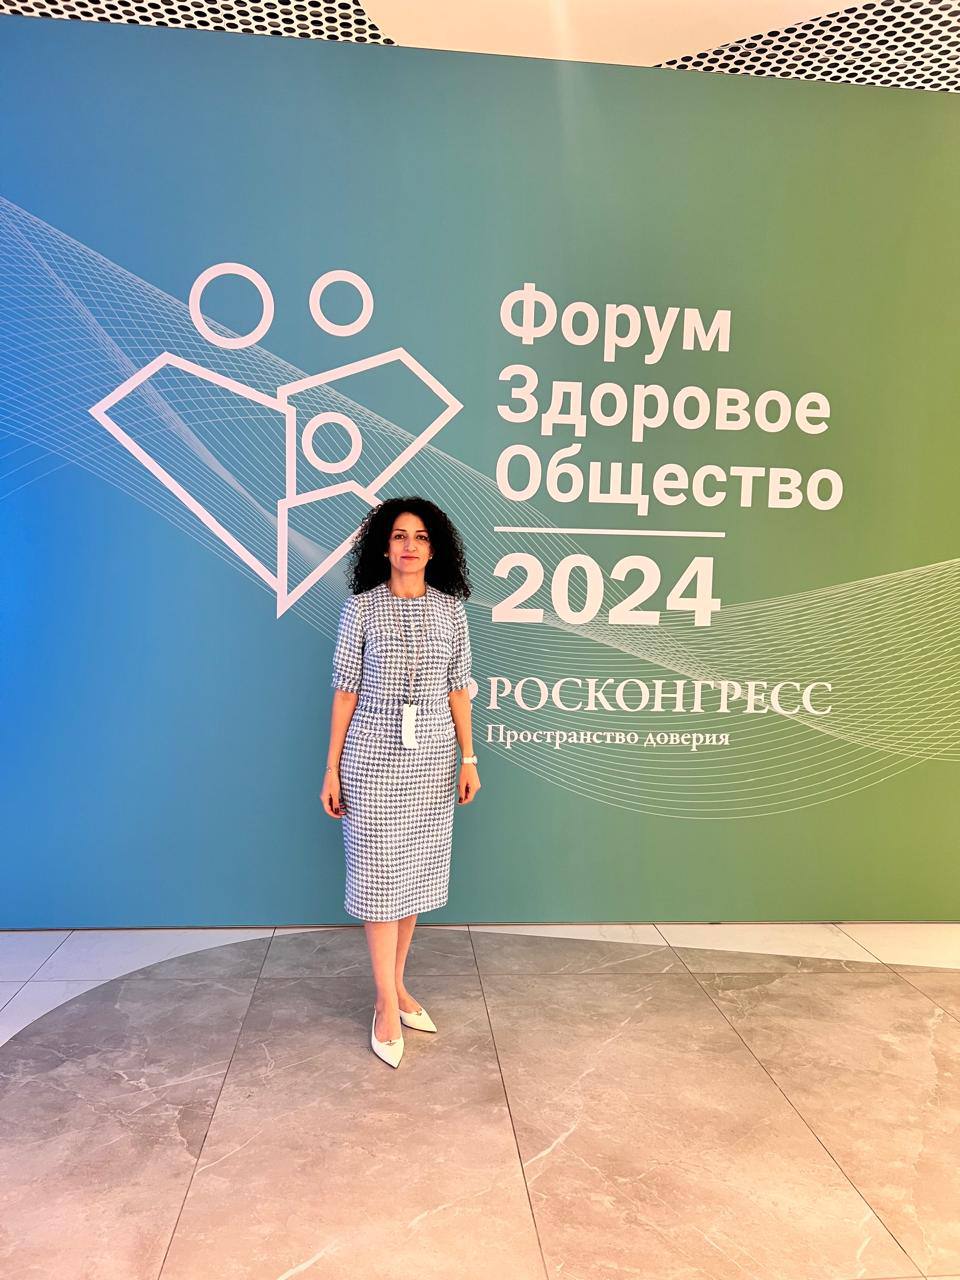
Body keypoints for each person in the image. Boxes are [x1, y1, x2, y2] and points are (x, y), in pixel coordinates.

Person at [320, 497, 480, 1068]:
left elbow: (458, 688)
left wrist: (468, 758)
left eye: (420, 537)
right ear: (383, 547)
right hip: (371, 761)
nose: (409, 546)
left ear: (435, 549)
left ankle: (398, 984)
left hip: (432, 763)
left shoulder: (451, 611)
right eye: (399, 536)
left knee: (413, 877)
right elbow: (345, 691)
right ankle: (386, 1005)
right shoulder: (361, 609)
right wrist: (331, 767)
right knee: (379, 879)